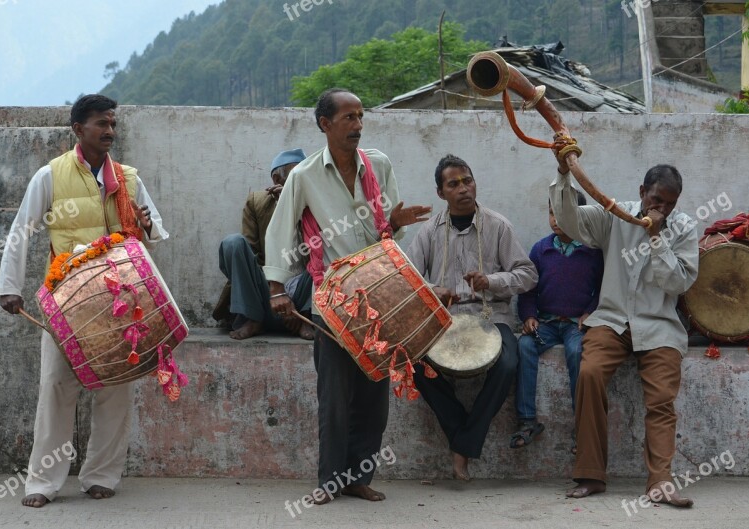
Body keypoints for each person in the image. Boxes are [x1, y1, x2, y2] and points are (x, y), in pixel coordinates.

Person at [0, 94, 168, 508]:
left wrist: (146, 225)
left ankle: (102, 475)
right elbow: (22, 229)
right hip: (66, 300)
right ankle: (42, 482)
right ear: (78, 129)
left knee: (117, 386)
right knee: (56, 385)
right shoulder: (50, 176)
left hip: (121, 299)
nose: (109, 131)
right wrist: (9, 285)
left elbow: (156, 228)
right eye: (100, 124)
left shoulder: (127, 177)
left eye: (112, 124)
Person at [263, 88, 431, 503]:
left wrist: (394, 220)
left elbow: (387, 230)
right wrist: (276, 289)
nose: (357, 125)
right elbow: (279, 231)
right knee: (335, 395)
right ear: (325, 124)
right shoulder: (303, 176)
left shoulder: (379, 164)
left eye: (360, 117)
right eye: (348, 118)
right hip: (333, 297)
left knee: (374, 395)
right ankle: (329, 481)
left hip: (381, 293)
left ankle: (359, 477)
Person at [550, 155, 698, 507]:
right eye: (656, 200)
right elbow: (570, 220)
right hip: (612, 320)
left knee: (661, 399)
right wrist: (562, 172)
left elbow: (677, 283)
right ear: (642, 191)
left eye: (670, 203)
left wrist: (657, 237)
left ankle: (660, 482)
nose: (661, 208)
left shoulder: (683, 228)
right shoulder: (614, 215)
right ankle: (590, 475)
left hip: (659, 327)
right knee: (589, 373)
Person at [407, 154, 537, 481]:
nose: (464, 188)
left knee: (507, 363)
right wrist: (432, 290)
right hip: (445, 320)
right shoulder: (428, 231)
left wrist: (492, 281)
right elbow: (406, 277)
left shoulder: (498, 226)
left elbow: (528, 274)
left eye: (468, 180)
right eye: (454, 184)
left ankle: (462, 444)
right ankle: (463, 436)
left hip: (492, 317)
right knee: (415, 365)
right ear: (441, 193)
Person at [512, 191, 603, 453]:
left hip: (577, 324)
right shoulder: (541, 250)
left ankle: (582, 426)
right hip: (547, 324)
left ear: (581, 217)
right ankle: (527, 420)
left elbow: (601, 290)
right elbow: (528, 289)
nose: (556, 219)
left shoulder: (593, 251)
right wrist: (529, 316)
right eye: (552, 212)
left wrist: (589, 313)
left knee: (577, 352)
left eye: (564, 213)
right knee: (525, 347)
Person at [213, 149, 314, 340]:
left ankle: (306, 318)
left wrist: (299, 209)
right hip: (265, 295)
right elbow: (250, 255)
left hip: (302, 293)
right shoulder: (258, 202)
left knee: (329, 247)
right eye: (296, 177)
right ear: (277, 179)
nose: (303, 183)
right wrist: (276, 295)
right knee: (233, 243)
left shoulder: (314, 203)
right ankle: (252, 318)